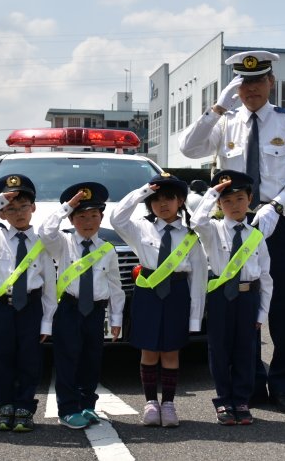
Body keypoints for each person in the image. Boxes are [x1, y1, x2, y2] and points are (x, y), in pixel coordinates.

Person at [179, 50, 285, 414]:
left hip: (280, 221)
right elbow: (188, 148)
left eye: (258, 81)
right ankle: (250, 384)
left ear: (271, 82)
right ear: (236, 87)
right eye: (244, 82)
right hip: (235, 224)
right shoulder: (226, 124)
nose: (252, 89)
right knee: (242, 304)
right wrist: (215, 110)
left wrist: (277, 206)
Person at [110, 172, 207, 428]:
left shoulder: (191, 236)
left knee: (171, 351)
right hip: (148, 293)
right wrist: (143, 191)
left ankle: (169, 403)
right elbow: (116, 217)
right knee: (149, 350)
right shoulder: (140, 227)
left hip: (177, 294)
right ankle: (151, 403)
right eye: (156, 199)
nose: (162, 204)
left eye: (169, 198)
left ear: (181, 201)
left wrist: (196, 317)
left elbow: (198, 279)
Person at [0, 174, 56, 432]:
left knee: (30, 357)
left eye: (23, 206)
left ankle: (25, 406)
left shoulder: (41, 241)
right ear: (2, 213)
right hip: (3, 305)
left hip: (32, 305)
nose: (18, 213)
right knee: (2, 356)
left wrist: (47, 321)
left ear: (34, 208)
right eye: (11, 209)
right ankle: (4, 406)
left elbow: (50, 285)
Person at [38, 181, 125, 430]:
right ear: (72, 220)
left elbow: (115, 287)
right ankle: (67, 409)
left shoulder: (107, 250)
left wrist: (116, 319)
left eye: (94, 215)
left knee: (91, 359)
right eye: (82, 216)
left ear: (101, 217)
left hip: (95, 311)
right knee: (67, 359)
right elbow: (46, 231)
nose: (88, 221)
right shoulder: (63, 244)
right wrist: (67, 206)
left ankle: (88, 405)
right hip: (69, 309)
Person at [191, 170, 272, 425]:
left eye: (239, 199)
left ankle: (241, 400)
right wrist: (213, 191)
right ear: (219, 204)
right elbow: (196, 220)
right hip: (219, 298)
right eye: (227, 201)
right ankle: (224, 400)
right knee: (220, 351)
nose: (234, 205)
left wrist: (262, 312)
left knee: (245, 351)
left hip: (248, 298)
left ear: (250, 199)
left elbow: (266, 277)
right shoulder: (213, 230)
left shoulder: (256, 236)